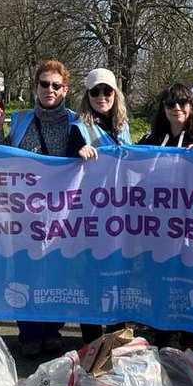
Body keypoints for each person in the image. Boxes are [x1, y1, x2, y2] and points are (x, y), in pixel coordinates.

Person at [0, 58, 76, 358]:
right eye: (44, 84)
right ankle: (28, 332)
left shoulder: (75, 122)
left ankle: (53, 330)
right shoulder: (20, 119)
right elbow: (2, 159)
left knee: (57, 273)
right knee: (25, 271)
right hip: (24, 214)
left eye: (56, 85)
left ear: (65, 89)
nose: (49, 90)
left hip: (62, 217)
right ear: (35, 85)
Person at [139, 81, 193, 349]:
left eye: (182, 103)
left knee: (188, 279)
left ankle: (189, 337)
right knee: (159, 280)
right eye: (170, 104)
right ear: (163, 109)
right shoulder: (150, 141)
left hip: (190, 227)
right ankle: (160, 332)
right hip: (157, 228)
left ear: (191, 106)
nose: (176, 109)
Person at [66, 67, 131, 343]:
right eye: (95, 92)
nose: (102, 96)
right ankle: (93, 345)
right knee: (92, 280)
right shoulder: (79, 128)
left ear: (115, 94)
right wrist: (76, 153)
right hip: (91, 218)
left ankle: (118, 341)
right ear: (87, 95)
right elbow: (65, 167)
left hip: (119, 216)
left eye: (107, 91)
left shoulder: (123, 127)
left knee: (118, 277)